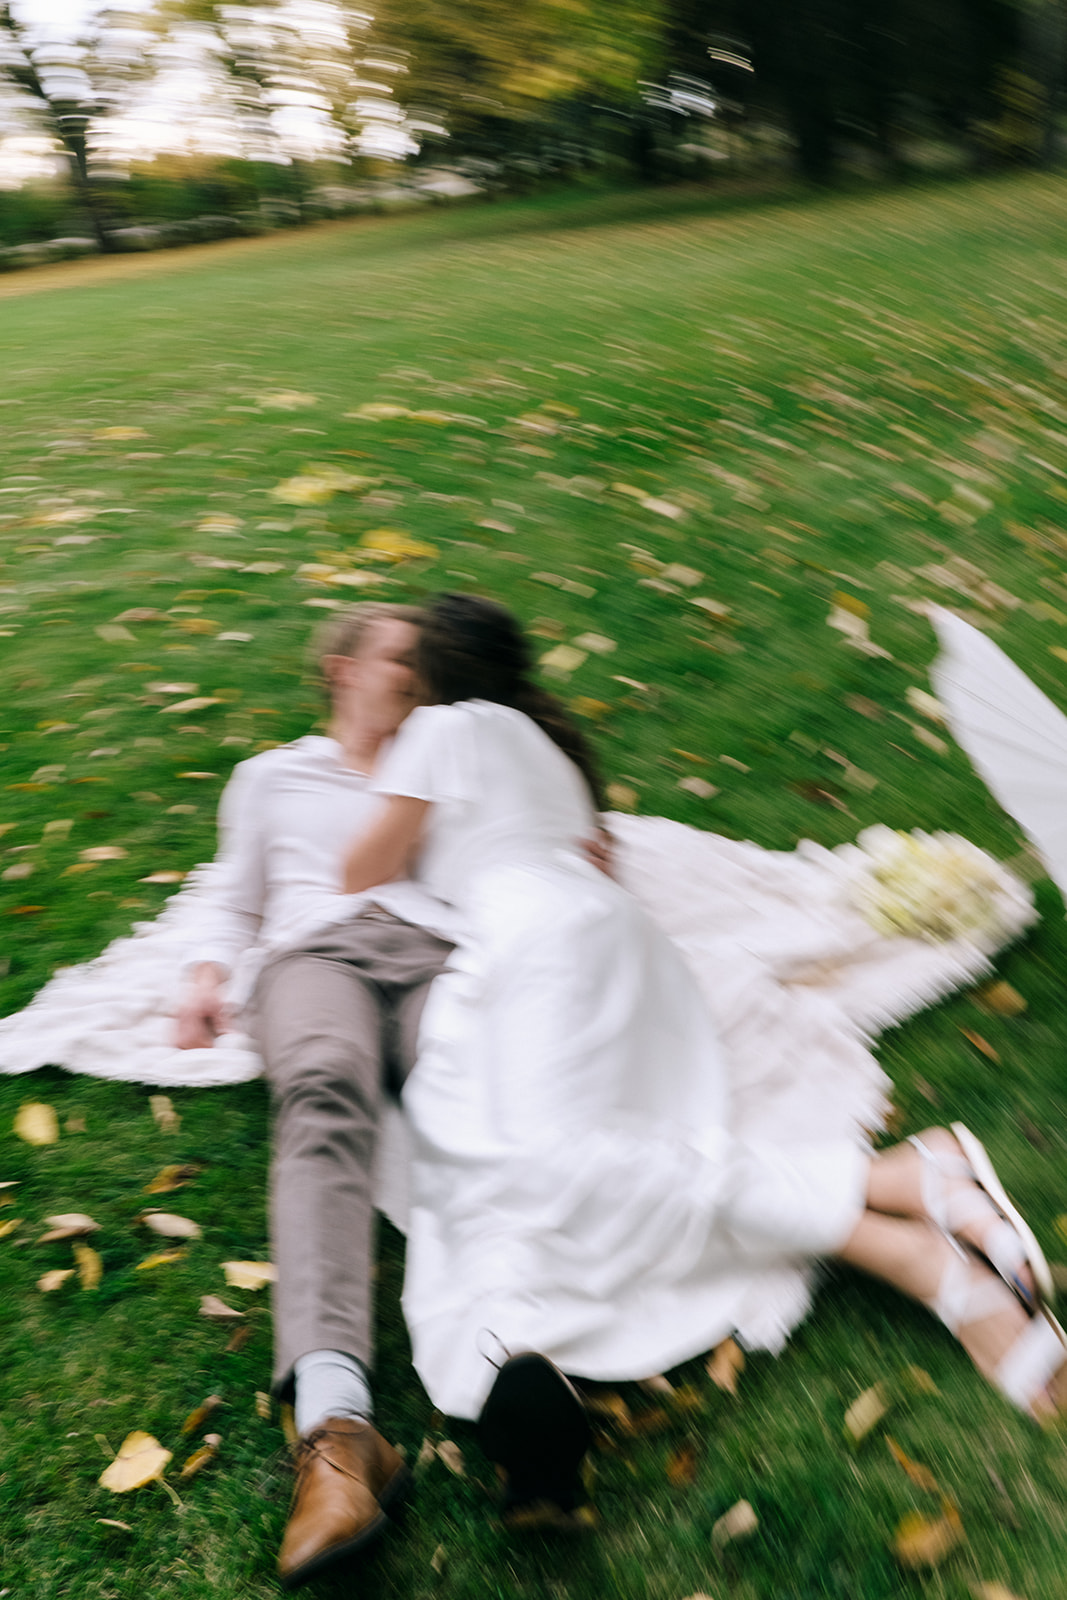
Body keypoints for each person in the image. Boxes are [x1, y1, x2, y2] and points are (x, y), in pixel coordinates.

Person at [341, 592, 1067, 1527]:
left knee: (528, 1161)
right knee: (481, 1152)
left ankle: (908, 1228)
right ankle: (908, 1196)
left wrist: (371, 766)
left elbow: (355, 874)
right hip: (591, 951)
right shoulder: (538, 742)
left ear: (431, 680)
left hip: (532, 953)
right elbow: (591, 859)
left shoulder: (442, 733)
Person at [173, 599, 612, 1590]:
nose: (414, 673)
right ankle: (337, 1436)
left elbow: (524, 837)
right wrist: (206, 971)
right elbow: (229, 888)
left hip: (435, 956)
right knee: (325, 1093)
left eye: (424, 662)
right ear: (340, 670)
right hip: (314, 954)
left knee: (470, 1105)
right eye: (395, 658)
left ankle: (520, 1366)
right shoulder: (272, 776)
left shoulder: (449, 752)